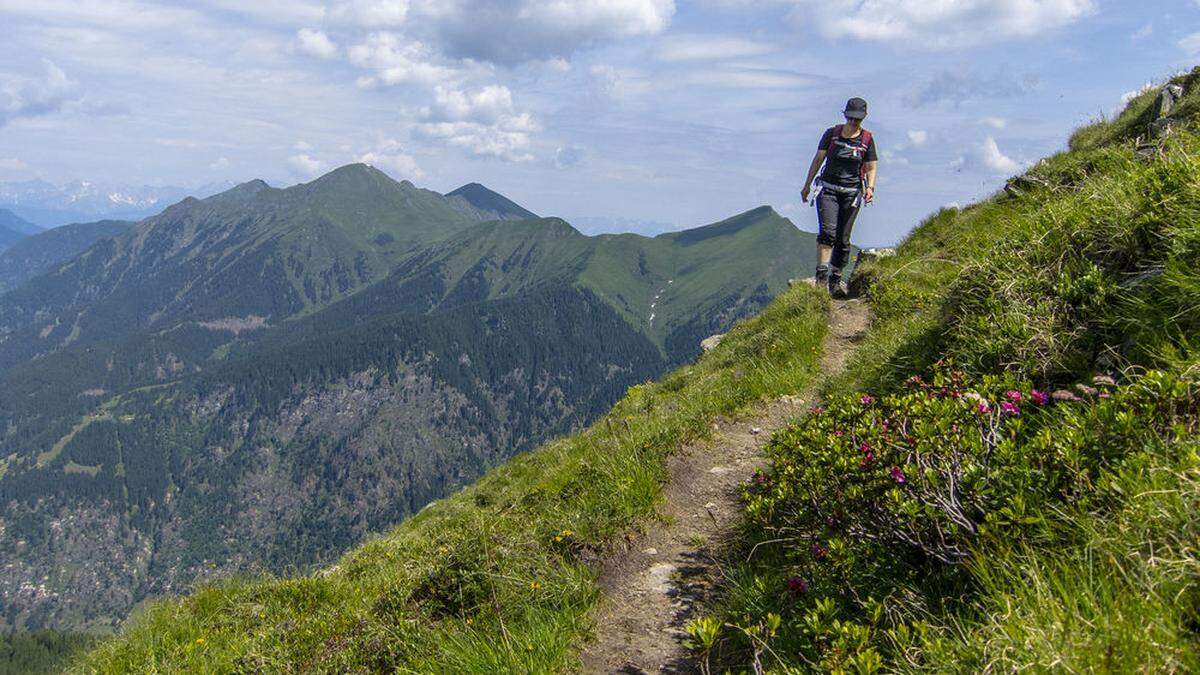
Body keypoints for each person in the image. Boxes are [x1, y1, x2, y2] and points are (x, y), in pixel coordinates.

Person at [800, 97, 878, 298]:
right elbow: (818, 159)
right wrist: (807, 185)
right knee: (828, 232)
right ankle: (821, 278)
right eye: (851, 118)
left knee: (843, 238)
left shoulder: (867, 140)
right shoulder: (831, 134)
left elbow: (871, 166)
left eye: (857, 119)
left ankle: (835, 280)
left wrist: (870, 187)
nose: (853, 122)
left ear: (863, 118)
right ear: (845, 115)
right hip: (828, 190)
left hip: (852, 194)